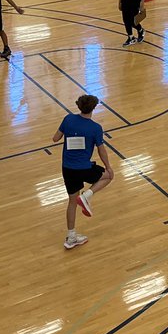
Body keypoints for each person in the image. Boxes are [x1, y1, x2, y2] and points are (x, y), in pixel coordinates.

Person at [53, 94, 114, 249]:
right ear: (93, 108)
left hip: (67, 168)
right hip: (84, 168)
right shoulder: (95, 128)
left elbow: (55, 138)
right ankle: (87, 196)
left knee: (72, 201)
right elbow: (101, 151)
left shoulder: (68, 119)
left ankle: (71, 237)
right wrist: (108, 166)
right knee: (108, 176)